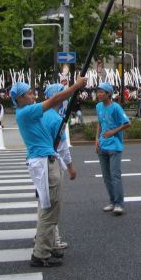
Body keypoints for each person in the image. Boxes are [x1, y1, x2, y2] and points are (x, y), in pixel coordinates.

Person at [11, 76, 84, 267]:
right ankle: (41, 254)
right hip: (44, 161)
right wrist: (75, 86)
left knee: (48, 205)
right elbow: (53, 100)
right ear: (19, 98)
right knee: (50, 209)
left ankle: (48, 246)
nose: (33, 95)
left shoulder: (29, 112)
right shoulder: (26, 112)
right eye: (29, 93)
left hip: (44, 159)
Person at [42, 83, 78, 251]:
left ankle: (41, 234)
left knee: (43, 202)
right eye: (63, 95)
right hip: (52, 163)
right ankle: (53, 240)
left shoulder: (41, 114)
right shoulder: (57, 120)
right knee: (53, 205)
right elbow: (63, 148)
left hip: (38, 163)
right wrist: (70, 167)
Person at [95, 81, 132, 215]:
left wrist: (112, 132)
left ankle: (119, 204)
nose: (98, 94)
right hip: (102, 145)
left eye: (101, 92)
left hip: (115, 146)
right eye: (98, 92)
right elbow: (100, 123)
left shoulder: (116, 107)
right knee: (106, 177)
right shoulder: (98, 106)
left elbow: (128, 123)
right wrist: (96, 139)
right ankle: (112, 201)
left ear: (108, 94)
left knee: (115, 175)